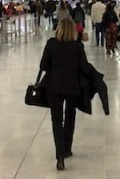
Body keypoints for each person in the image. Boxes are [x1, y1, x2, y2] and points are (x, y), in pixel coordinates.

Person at [39, 18, 90, 171]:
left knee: (56, 120)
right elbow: (84, 68)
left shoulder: (51, 43)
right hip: (72, 86)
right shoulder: (77, 46)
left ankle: (59, 156)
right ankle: (67, 148)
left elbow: (43, 65)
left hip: (53, 87)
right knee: (70, 116)